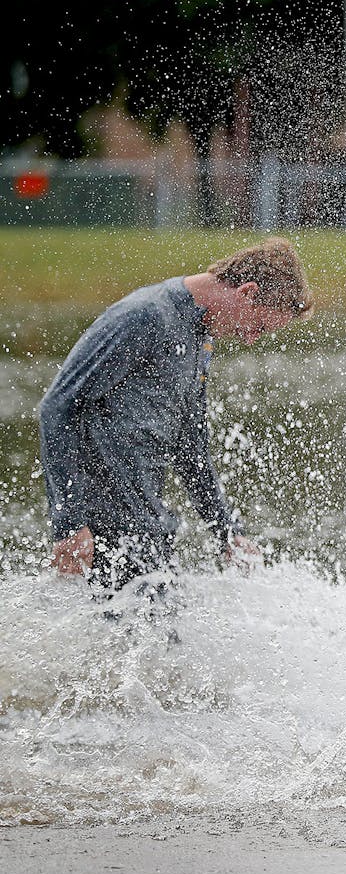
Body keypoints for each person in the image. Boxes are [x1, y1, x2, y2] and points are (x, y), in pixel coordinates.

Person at [39, 237, 313, 601]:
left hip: (146, 523)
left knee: (153, 643)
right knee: (147, 639)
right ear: (247, 293)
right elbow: (57, 407)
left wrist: (226, 531)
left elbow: (190, 444)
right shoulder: (145, 314)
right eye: (259, 327)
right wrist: (69, 523)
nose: (250, 339)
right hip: (104, 525)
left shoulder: (200, 338)